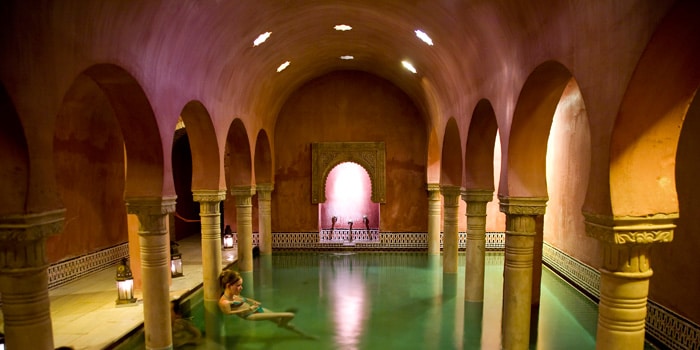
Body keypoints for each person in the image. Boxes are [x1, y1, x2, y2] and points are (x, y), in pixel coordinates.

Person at [218, 270, 296, 328]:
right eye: (238, 285)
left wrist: (253, 301)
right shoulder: (225, 302)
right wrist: (248, 309)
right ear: (228, 286)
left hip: (256, 309)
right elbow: (229, 313)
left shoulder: (234, 294)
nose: (241, 288)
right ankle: (281, 325)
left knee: (281, 321)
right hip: (250, 315)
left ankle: (302, 334)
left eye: (241, 285)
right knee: (290, 315)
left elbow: (243, 298)